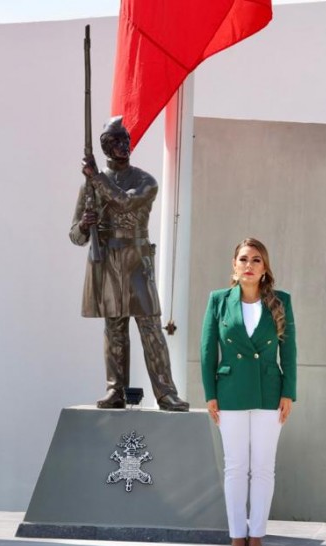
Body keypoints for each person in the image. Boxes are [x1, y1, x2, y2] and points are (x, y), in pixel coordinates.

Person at [70, 116, 188, 411]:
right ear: (106, 148)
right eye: (116, 143)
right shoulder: (90, 187)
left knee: (150, 326)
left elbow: (124, 202)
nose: (124, 146)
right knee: (114, 328)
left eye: (126, 141)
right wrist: (85, 225)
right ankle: (115, 390)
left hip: (137, 261)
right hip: (107, 261)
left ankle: (166, 392)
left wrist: (97, 178)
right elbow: (74, 236)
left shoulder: (145, 181)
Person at [200, 238, 296, 546]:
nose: (249, 265)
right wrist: (210, 394)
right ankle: (236, 537)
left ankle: (256, 538)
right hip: (230, 392)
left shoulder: (280, 301)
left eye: (256, 260)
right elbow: (207, 349)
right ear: (234, 266)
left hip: (270, 392)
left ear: (264, 267)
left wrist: (288, 391)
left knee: (264, 468)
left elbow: (291, 350)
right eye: (243, 259)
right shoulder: (218, 301)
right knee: (236, 467)